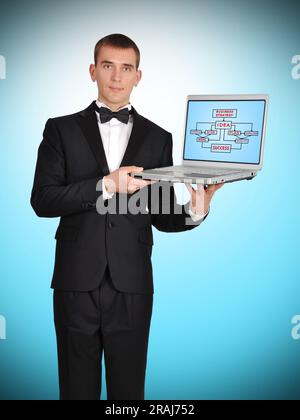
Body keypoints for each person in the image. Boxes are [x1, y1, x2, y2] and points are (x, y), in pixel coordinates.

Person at [30, 33, 223, 400]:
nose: (116, 77)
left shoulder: (158, 137)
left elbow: (162, 216)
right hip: (75, 282)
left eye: (126, 68)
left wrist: (196, 208)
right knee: (76, 389)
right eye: (107, 66)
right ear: (92, 71)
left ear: (138, 75)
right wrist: (105, 184)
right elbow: (43, 200)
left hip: (133, 285)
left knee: (129, 393)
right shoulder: (60, 129)